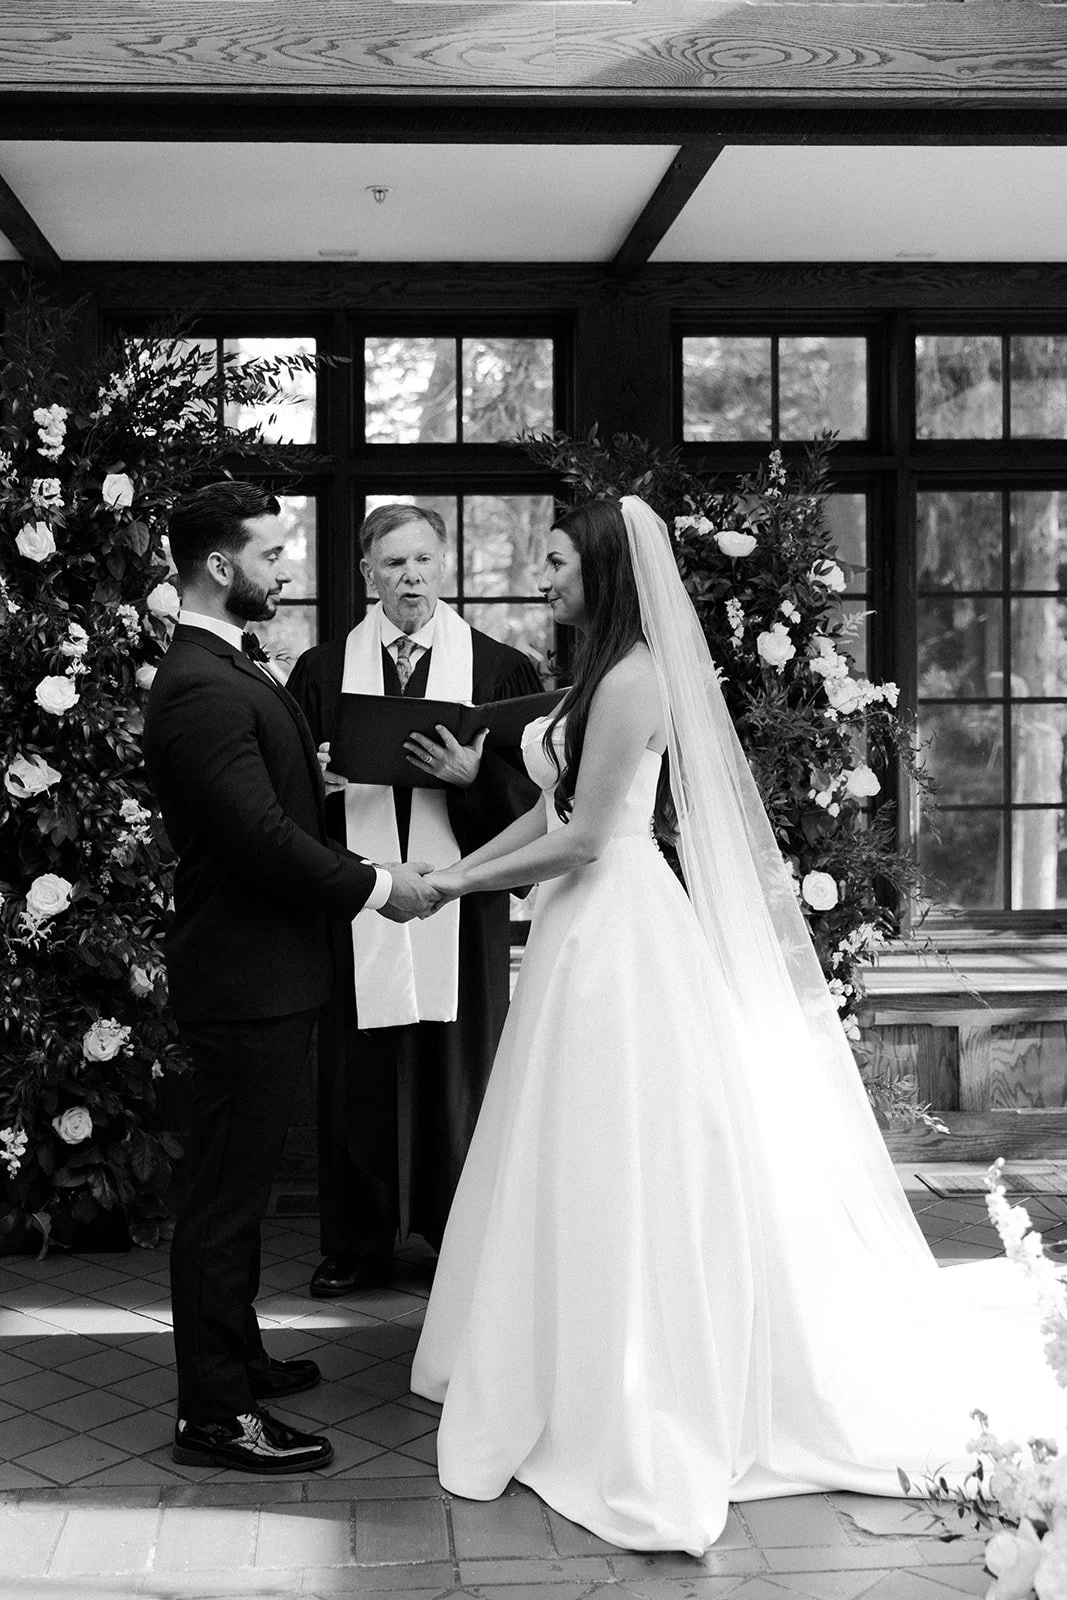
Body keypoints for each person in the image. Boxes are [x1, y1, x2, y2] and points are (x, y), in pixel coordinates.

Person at [410, 495, 1058, 1553]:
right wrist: (453, 876)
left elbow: (581, 839)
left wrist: (446, 890)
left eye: (558, 561)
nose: (543, 577)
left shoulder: (631, 679)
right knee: (562, 1148)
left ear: (608, 570)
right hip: (573, 935)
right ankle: (550, 1350)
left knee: (624, 1148)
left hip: (616, 933)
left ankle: (628, 1374)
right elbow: (544, 810)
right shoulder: (588, 675)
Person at [143, 481, 437, 1475]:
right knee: (223, 1202)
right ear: (221, 567)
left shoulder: (224, 666)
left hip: (271, 971)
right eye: (272, 553)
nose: (285, 569)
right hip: (242, 979)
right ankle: (213, 1415)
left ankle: (237, 1358)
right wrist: (372, 884)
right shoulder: (195, 682)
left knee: (245, 1189)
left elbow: (266, 802)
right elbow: (256, 838)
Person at [287, 503, 543, 1295]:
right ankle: (357, 1243)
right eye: (394, 564)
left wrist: (473, 781)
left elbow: (538, 800)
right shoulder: (324, 671)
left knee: (454, 1064)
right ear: (367, 574)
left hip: (459, 891)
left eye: (425, 561)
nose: (411, 577)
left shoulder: (498, 668)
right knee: (359, 1067)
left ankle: (453, 1234)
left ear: (444, 565)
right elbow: (282, 798)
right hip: (359, 886)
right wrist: (318, 783)